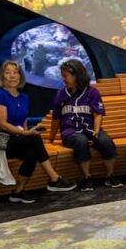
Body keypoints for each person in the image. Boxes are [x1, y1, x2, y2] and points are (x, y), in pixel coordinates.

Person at [0, 60, 76, 203]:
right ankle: (54, 179)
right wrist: (25, 134)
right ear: (2, 76)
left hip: (15, 138)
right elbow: (2, 124)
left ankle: (17, 192)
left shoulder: (24, 97)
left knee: (32, 152)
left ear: (20, 76)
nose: (12, 76)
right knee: (34, 140)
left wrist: (28, 131)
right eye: (7, 72)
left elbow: (23, 122)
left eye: (15, 72)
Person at [47, 60, 121, 191]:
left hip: (90, 128)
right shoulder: (60, 94)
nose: (63, 79)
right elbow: (56, 118)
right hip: (70, 132)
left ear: (76, 75)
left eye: (66, 76)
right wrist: (51, 138)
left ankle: (110, 176)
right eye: (62, 76)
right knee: (80, 141)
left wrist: (97, 131)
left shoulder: (92, 92)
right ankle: (87, 178)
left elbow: (98, 113)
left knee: (105, 141)